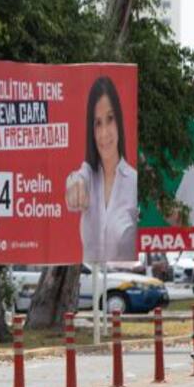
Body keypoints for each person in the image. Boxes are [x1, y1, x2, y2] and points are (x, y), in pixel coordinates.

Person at [64, 76, 138, 262]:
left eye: (110, 119)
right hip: (90, 285)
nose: (104, 133)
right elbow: (76, 179)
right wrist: (73, 183)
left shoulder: (135, 182)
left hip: (123, 285)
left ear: (119, 121)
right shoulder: (88, 175)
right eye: (97, 123)